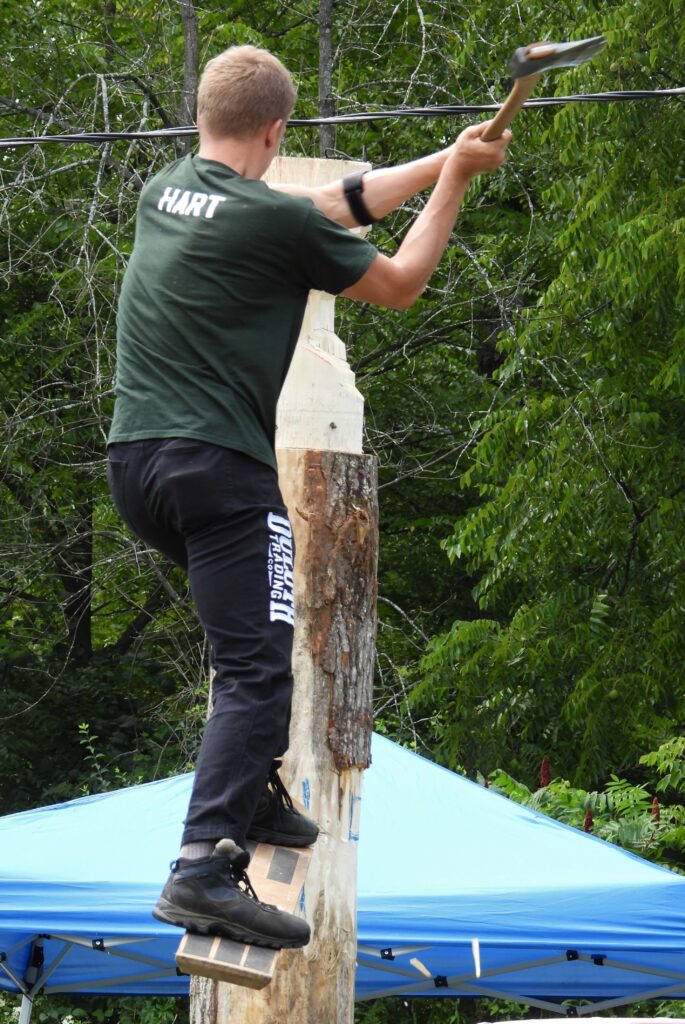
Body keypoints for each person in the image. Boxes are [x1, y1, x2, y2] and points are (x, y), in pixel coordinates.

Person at [107, 44, 510, 951]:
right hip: (222, 474)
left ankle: (248, 792)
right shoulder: (272, 225)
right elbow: (399, 282)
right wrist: (457, 188)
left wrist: (448, 156)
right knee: (257, 668)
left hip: (139, 470)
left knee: (247, 639)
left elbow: (328, 208)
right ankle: (201, 870)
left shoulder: (166, 189)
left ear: (203, 115)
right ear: (278, 130)